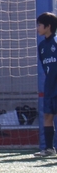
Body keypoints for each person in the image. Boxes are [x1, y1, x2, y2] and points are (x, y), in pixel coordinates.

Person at [34, 12, 57, 157]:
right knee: (47, 115)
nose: (37, 28)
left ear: (48, 26)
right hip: (50, 87)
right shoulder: (42, 46)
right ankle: (49, 148)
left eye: (39, 25)